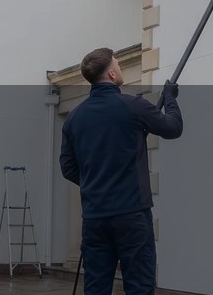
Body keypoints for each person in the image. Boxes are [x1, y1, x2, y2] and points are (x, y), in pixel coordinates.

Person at [59, 47, 183, 295]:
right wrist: (170, 98)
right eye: (118, 64)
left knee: (96, 287)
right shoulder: (133, 106)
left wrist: (96, 182)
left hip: (95, 218)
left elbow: (68, 167)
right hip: (131, 214)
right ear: (112, 74)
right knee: (139, 286)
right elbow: (173, 128)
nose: (120, 67)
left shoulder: (74, 118)